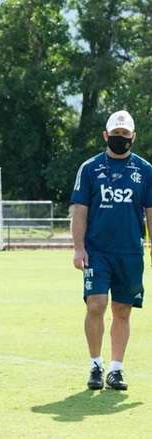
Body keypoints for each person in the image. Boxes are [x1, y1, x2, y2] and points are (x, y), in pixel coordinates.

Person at [71, 110, 152, 391]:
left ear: (133, 137)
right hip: (97, 251)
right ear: (106, 135)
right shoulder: (90, 168)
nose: (120, 139)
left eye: (124, 134)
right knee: (95, 304)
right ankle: (95, 364)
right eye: (115, 134)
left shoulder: (145, 170)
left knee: (122, 309)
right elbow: (80, 211)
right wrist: (78, 248)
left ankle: (116, 369)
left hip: (130, 252)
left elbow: (150, 212)